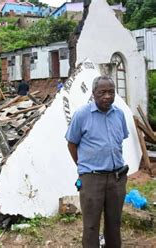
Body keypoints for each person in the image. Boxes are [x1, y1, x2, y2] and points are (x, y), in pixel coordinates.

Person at [65, 76, 129, 248]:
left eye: (111, 92)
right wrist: (84, 168)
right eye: (102, 92)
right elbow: (71, 144)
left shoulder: (119, 114)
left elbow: (119, 140)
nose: (107, 96)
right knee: (91, 226)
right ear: (93, 94)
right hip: (92, 179)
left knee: (114, 224)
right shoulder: (81, 115)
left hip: (117, 178)